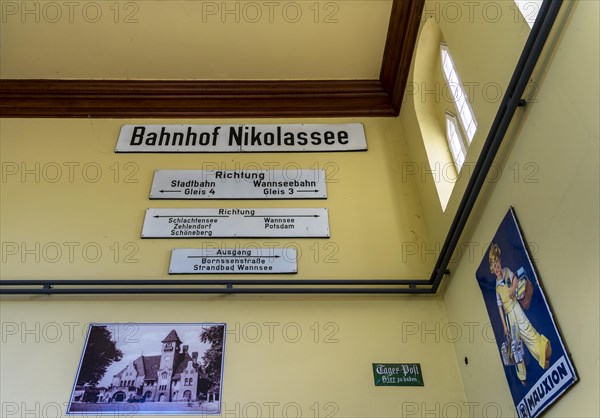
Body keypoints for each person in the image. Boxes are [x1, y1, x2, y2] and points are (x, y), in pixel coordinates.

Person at [489, 243, 552, 386]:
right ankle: (522, 375)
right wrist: (504, 326)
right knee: (516, 345)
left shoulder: (506, 272)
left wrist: (512, 289)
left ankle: (542, 352)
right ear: (492, 268)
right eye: (494, 264)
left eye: (498, 262)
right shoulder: (496, 287)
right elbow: (500, 308)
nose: (497, 266)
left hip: (516, 308)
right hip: (509, 316)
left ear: (500, 261)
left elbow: (516, 279)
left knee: (527, 329)